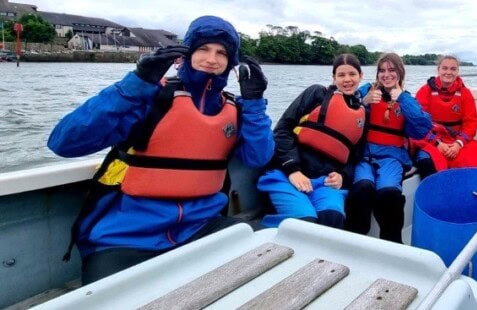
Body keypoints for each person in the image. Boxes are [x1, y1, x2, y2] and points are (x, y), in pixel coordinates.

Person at [48, 15, 274, 284]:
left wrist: (255, 103)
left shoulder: (234, 109)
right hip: (126, 237)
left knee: (268, 261)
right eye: (203, 49)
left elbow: (258, 156)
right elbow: (64, 143)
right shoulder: (149, 98)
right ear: (184, 54)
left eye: (221, 53)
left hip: (200, 227)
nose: (212, 59)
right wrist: (137, 82)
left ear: (231, 63)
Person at [257, 53, 366, 229]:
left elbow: (355, 156)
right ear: (333, 77)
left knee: (332, 219)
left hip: (324, 182)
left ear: (360, 76)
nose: (347, 80)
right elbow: (282, 131)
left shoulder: (362, 114)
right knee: (305, 224)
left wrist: (343, 177)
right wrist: (293, 170)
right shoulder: (316, 94)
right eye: (341, 75)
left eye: (352, 74)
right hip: (288, 175)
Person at [344, 53, 432, 243]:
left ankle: (392, 243)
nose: (386, 75)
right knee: (362, 188)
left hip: (392, 156)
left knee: (389, 194)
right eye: (382, 70)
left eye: (391, 70)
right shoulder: (367, 90)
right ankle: (354, 239)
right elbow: (344, 108)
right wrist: (362, 102)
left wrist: (402, 99)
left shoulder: (407, 99)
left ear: (399, 73)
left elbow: (422, 128)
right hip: (365, 155)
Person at [412, 55, 477, 172]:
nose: (448, 72)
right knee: (427, 161)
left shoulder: (465, 93)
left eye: (453, 69)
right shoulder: (425, 91)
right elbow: (418, 123)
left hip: (456, 139)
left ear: (458, 71)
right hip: (431, 139)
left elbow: (471, 122)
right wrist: (437, 143)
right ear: (438, 70)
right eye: (445, 68)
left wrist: (458, 144)